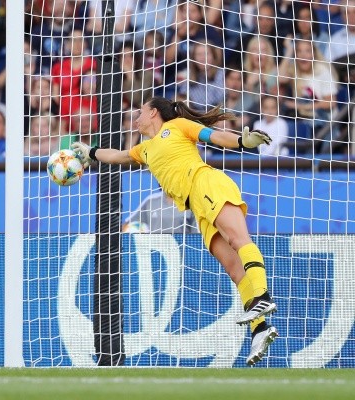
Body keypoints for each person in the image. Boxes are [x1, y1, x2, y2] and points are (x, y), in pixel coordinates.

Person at [72, 97, 278, 366]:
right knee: (234, 269)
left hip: (207, 183)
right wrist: (91, 152)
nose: (136, 118)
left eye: (140, 112)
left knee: (239, 240)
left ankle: (262, 296)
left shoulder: (178, 126)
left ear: (153, 113)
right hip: (196, 205)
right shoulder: (145, 149)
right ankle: (260, 329)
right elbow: (117, 156)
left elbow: (214, 136)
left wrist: (242, 142)